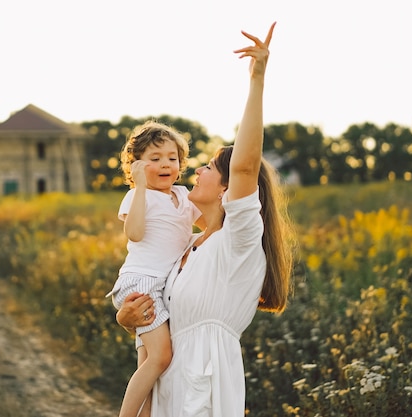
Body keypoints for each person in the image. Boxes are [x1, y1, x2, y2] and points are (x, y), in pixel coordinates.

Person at [116, 22, 295, 416]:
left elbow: (246, 164)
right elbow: (159, 322)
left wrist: (257, 79)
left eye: (210, 166)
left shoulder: (238, 239)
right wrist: (127, 318)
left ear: (229, 190)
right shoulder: (188, 246)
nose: (195, 171)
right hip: (165, 395)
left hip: (203, 393)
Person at [107, 120, 204, 417]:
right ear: (136, 166)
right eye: (155, 158)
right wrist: (139, 188)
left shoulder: (184, 195)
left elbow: (209, 227)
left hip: (163, 287)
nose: (166, 165)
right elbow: (134, 233)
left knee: (149, 370)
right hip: (141, 283)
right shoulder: (140, 196)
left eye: (172, 158)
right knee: (161, 358)